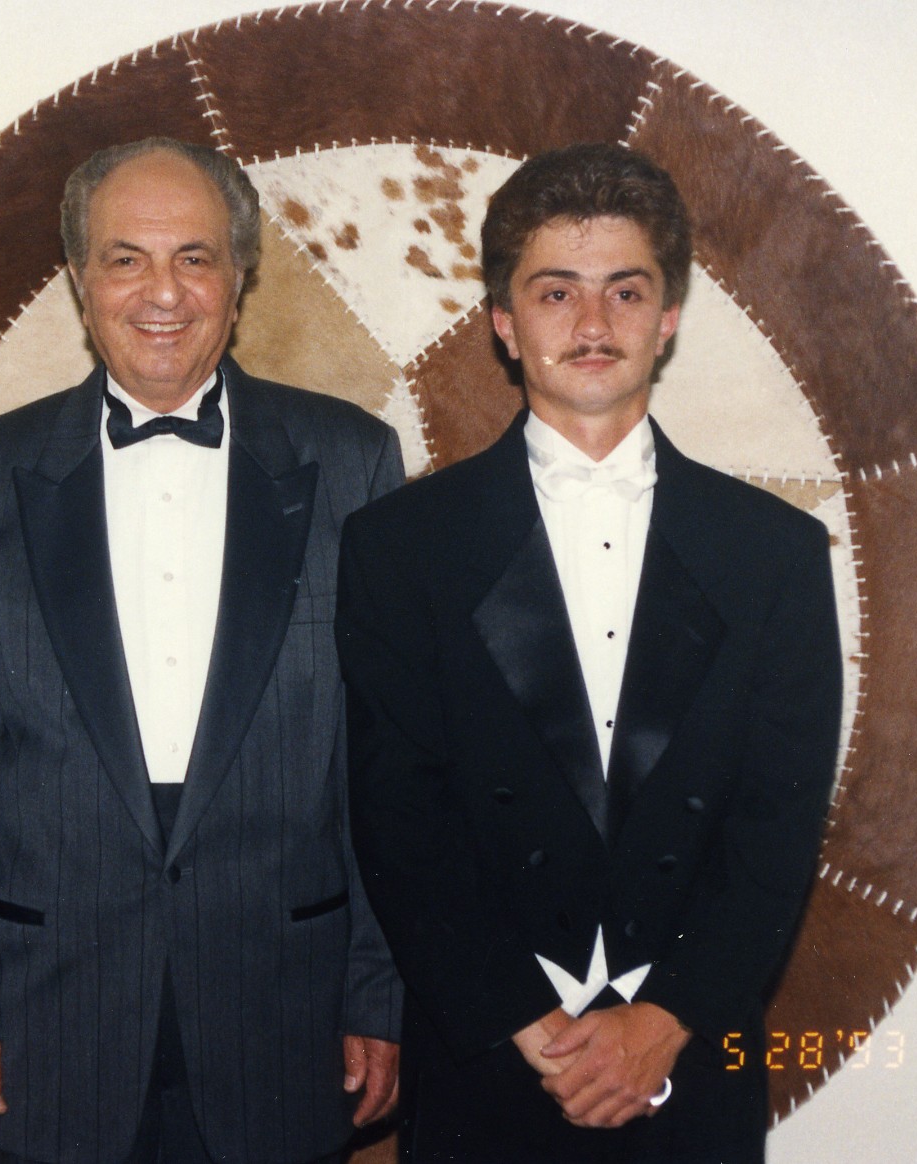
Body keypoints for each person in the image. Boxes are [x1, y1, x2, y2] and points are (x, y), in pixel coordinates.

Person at [0, 137, 404, 1164]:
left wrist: (379, 991)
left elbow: (383, 765)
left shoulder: (352, 460)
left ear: (240, 276)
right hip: (42, 1022)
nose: (161, 293)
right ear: (79, 282)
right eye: (125, 259)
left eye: (194, 257)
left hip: (287, 1010)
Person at [336, 143, 841, 1163]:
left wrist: (663, 1020)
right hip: (487, 1053)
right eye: (556, 291)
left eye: (625, 290)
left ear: (667, 317)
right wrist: (529, 1025)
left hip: (689, 1055)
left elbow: (776, 828)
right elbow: (398, 816)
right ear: (503, 321)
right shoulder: (400, 545)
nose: (594, 323)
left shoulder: (774, 553)